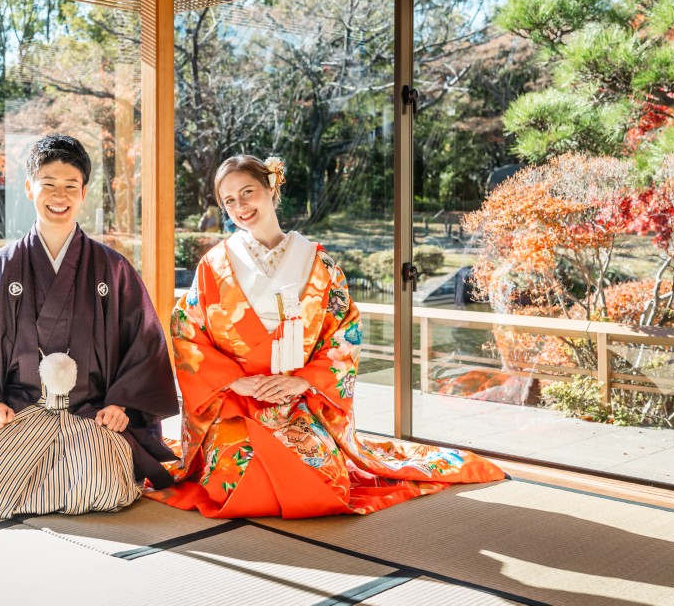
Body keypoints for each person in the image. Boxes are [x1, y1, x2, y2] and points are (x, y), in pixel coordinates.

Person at [149, 155, 504, 519]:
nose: (240, 207)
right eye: (229, 201)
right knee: (235, 478)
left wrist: (302, 380)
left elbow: (344, 332)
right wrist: (236, 383)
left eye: (248, 192)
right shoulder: (214, 264)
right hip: (236, 401)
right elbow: (186, 333)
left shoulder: (318, 262)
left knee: (326, 480)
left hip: (298, 398)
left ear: (272, 188)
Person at [0, 134, 179, 519]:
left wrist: (122, 403)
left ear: (83, 192)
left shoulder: (112, 268)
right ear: (29, 188)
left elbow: (143, 342)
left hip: (89, 414)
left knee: (102, 487)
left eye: (70, 186)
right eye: (49, 184)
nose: (60, 196)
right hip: (17, 410)